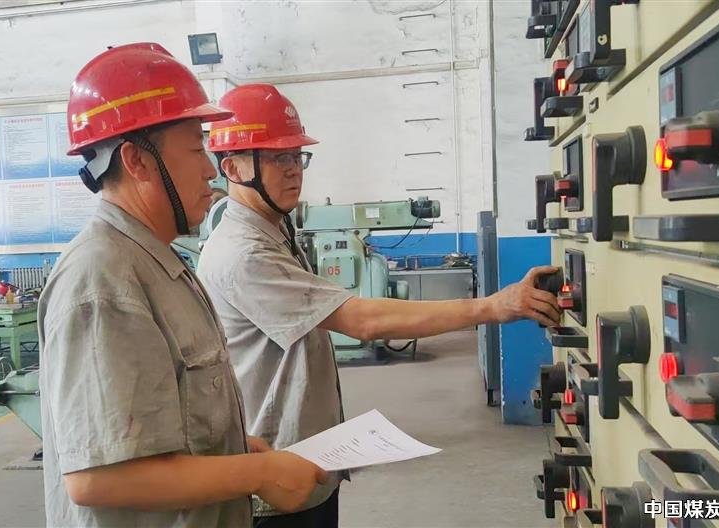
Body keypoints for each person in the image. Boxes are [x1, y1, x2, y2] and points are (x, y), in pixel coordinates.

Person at [196, 83, 562, 528]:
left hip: (307, 463)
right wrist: (492, 307)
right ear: (233, 167)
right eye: (276, 158)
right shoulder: (243, 251)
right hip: (275, 477)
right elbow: (363, 321)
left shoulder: (275, 229)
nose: (293, 170)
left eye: (296, 156)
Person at [38, 45, 326, 528]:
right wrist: (257, 472)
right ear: (137, 161)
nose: (211, 169)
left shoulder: (156, 261)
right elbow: (100, 478)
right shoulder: (103, 280)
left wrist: (233, 447)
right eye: (196, 149)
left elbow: (164, 421)